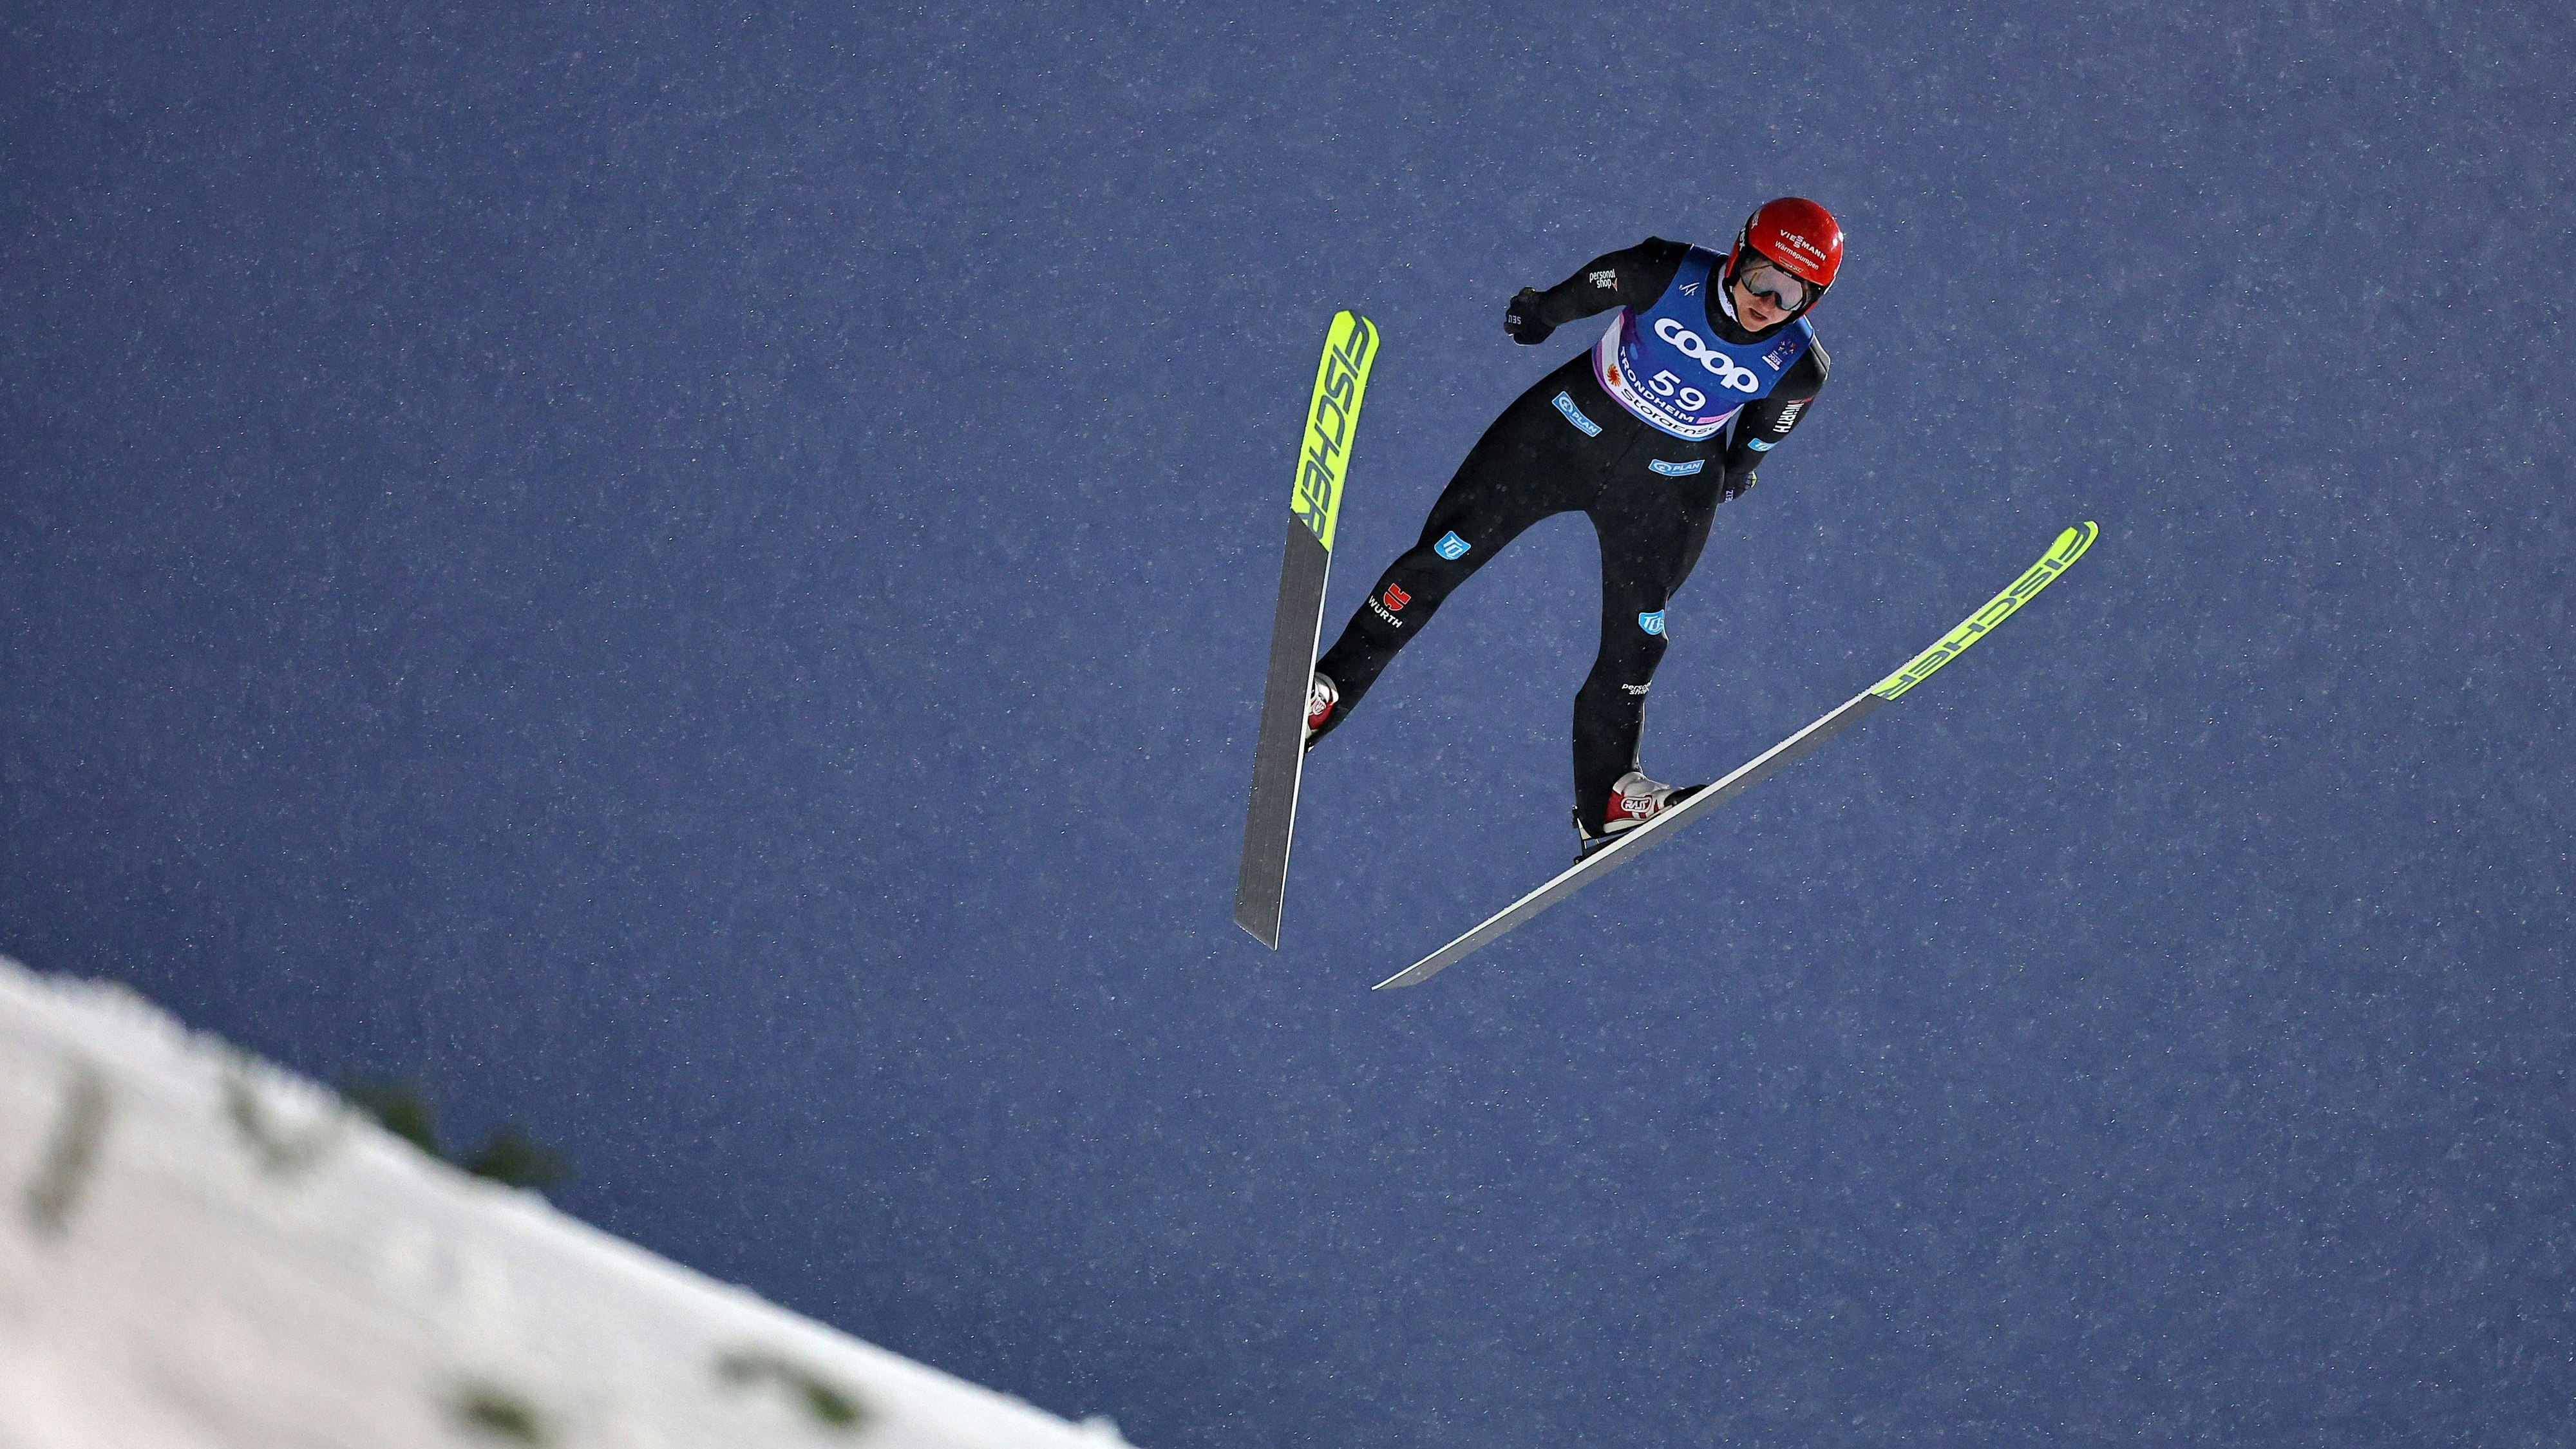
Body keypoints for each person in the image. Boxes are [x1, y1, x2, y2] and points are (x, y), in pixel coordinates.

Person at [1303, 197, 1842, 853]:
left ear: (1810, 303)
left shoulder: (1798, 364)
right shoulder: (1665, 272)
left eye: (1792, 294)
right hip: (1564, 432)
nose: (1768, 302)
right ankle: (1327, 691)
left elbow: (1766, 429)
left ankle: (1608, 798)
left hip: (1664, 486)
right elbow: (1588, 288)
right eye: (1762, 276)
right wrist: (1541, 313)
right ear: (1738, 254)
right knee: (1445, 552)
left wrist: (1740, 469)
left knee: (1640, 636)